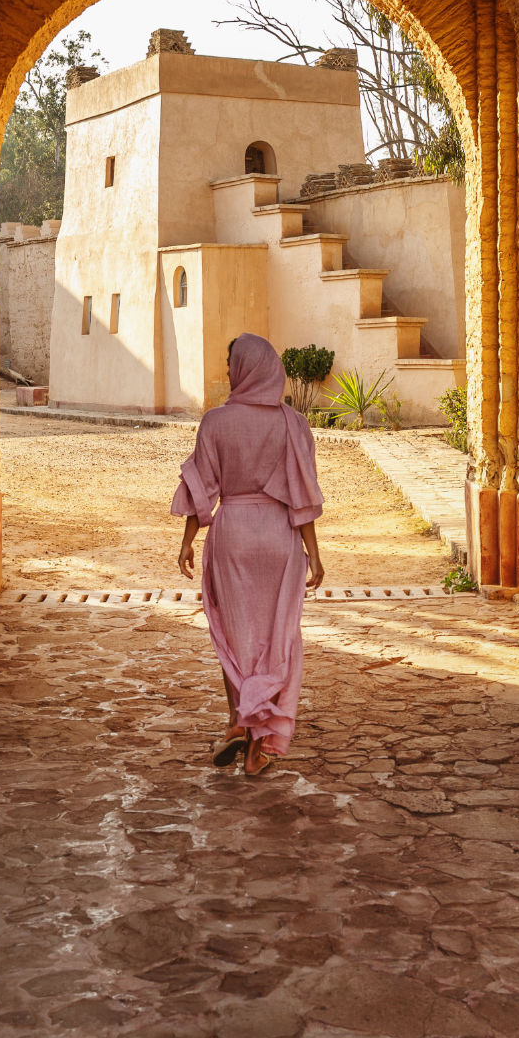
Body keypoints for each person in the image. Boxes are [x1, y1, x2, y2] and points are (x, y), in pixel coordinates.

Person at [172, 332, 325, 776]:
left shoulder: (215, 422)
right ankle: (260, 746)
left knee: (235, 641)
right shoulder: (292, 423)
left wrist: (188, 539)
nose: (225, 370)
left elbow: (203, 488)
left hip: (233, 535)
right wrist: (313, 553)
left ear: (244, 369)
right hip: (279, 538)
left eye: (229, 361)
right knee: (278, 636)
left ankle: (238, 722)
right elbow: (302, 495)